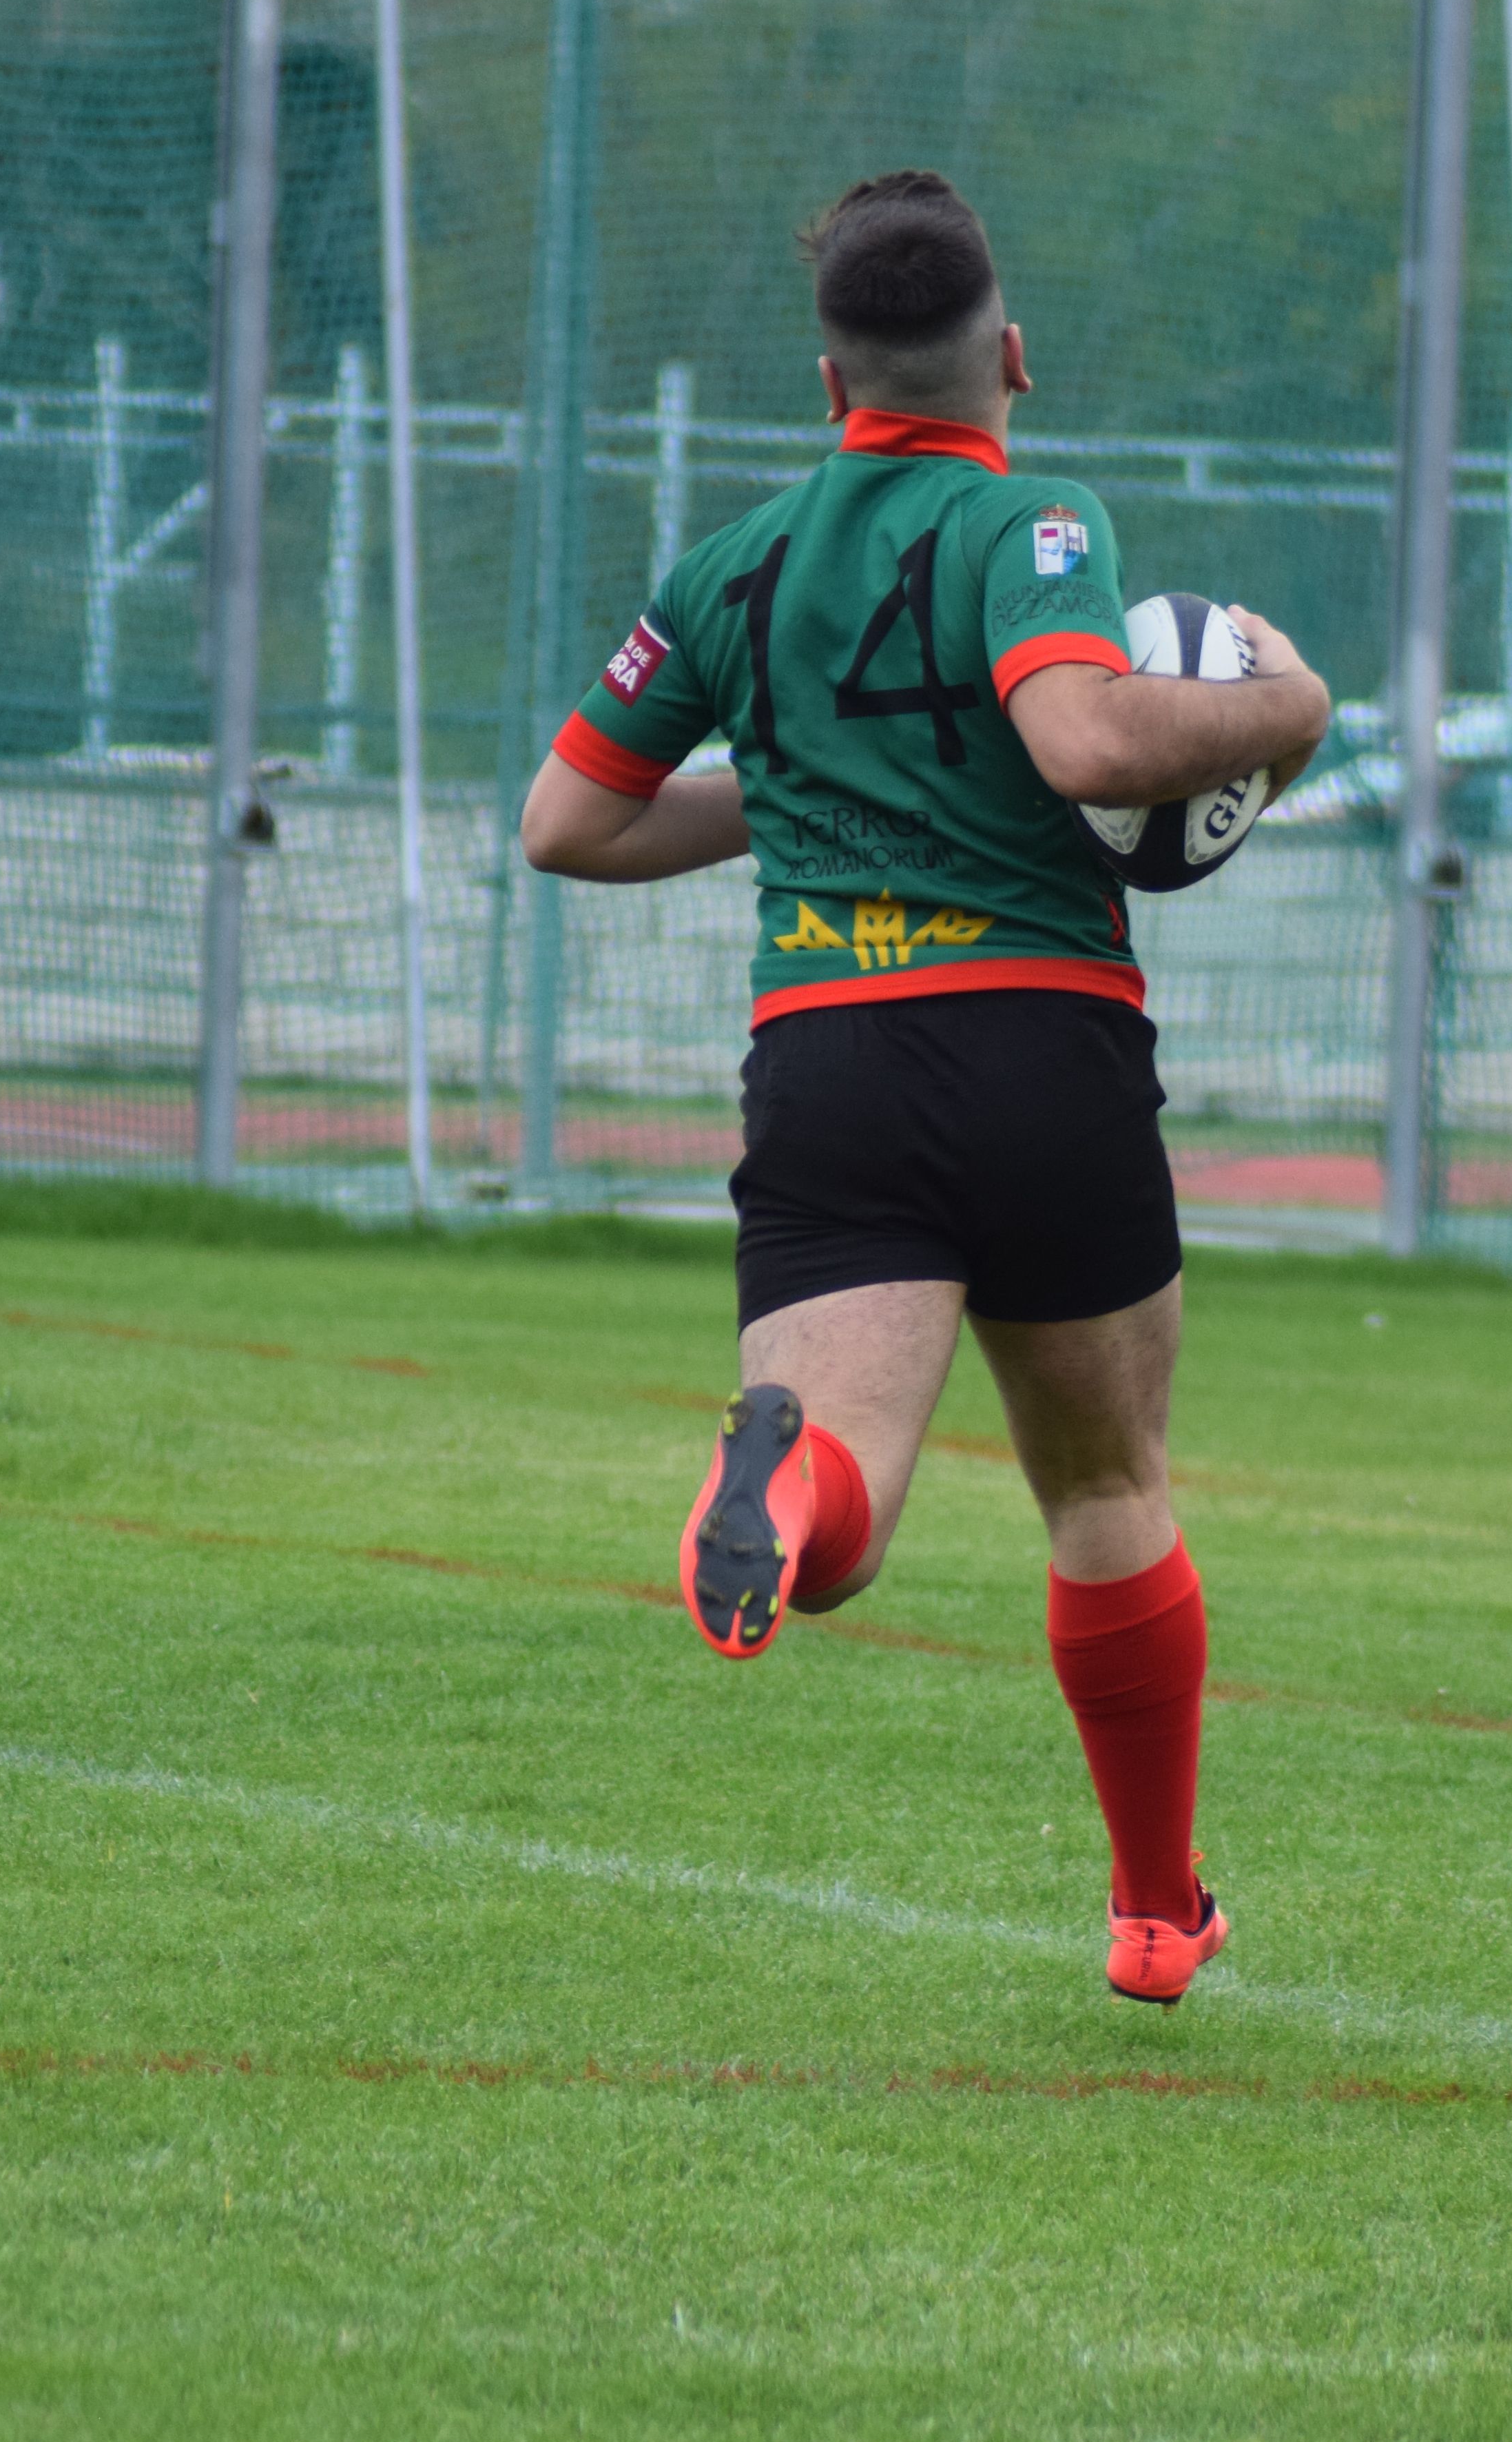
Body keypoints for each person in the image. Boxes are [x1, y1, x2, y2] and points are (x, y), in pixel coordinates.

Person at [517, 170, 1332, 2006]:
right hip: (1044, 1041)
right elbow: (1092, 737)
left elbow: (568, 821)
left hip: (833, 1055)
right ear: (1012, 357)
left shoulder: (732, 569)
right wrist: (1290, 710)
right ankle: (1149, 1912)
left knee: (844, 1519)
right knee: (1108, 1481)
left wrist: (809, 794)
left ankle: (778, 1487)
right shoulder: (1031, 523)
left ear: (828, 386)